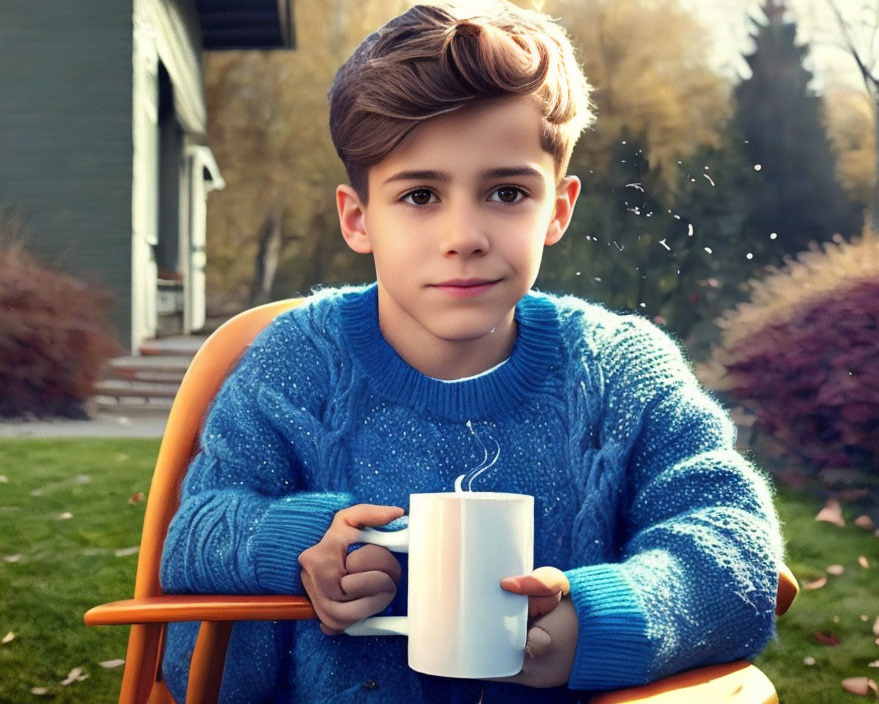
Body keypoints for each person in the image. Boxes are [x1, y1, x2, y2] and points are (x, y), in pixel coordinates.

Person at [159, 2, 783, 702]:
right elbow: (197, 531)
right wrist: (301, 544)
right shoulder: (295, 363)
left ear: (558, 209)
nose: (464, 234)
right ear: (358, 218)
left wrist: (607, 618)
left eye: (507, 192)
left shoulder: (622, 370)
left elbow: (734, 544)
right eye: (421, 194)